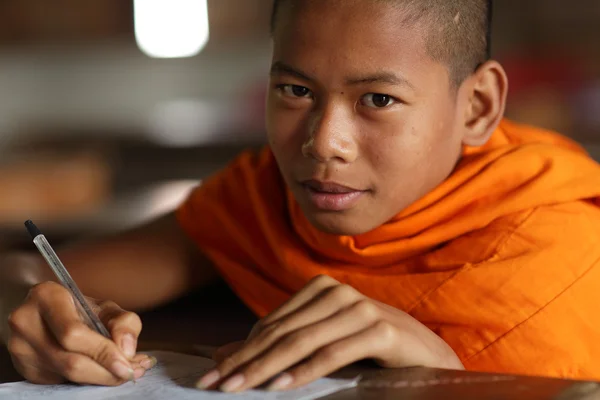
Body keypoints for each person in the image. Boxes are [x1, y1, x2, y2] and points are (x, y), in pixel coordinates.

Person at [3, 0, 600, 393]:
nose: (323, 144)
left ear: (478, 107)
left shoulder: (560, 246)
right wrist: (42, 312)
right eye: (294, 89)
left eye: (379, 100)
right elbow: (30, 269)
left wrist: (442, 376)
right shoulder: (261, 199)